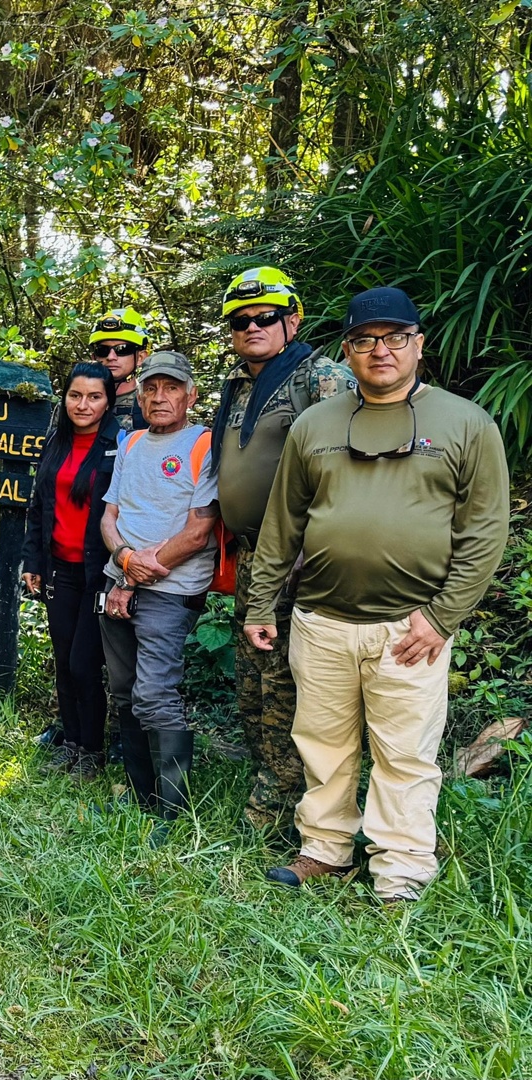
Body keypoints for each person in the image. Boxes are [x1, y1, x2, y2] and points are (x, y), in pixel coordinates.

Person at [245, 287, 510, 902]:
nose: (380, 350)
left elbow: (484, 531)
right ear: (348, 351)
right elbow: (284, 523)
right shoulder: (315, 424)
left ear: (419, 345)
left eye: (395, 338)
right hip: (321, 620)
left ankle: (401, 871)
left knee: (405, 755)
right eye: (366, 340)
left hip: (410, 630)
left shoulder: (467, 423)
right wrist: (261, 604)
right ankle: (326, 851)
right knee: (323, 743)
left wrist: (442, 619)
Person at [208, 267, 356, 832]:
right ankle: (265, 783)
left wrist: (309, 546)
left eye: (265, 316)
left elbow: (345, 473)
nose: (252, 327)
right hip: (252, 558)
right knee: (252, 681)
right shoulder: (239, 386)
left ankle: (278, 810)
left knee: (286, 686)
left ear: (292, 319)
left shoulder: (323, 379)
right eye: (240, 320)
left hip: (301, 561)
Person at [97, 351, 219, 827]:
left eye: (171, 388)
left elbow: (198, 532)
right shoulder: (129, 445)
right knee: (125, 689)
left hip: (172, 589)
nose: (159, 397)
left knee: (154, 693)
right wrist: (125, 563)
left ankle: (172, 811)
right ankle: (140, 792)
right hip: (121, 579)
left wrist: (136, 571)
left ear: (191, 394)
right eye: (151, 388)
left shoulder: (204, 444)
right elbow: (110, 516)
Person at [20, 362, 117, 779]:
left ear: (108, 401)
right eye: (75, 395)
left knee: (83, 664)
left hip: (99, 572)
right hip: (59, 568)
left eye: (94, 396)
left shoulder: (120, 445)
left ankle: (93, 751)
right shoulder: (55, 442)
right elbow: (39, 506)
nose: (83, 404)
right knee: (63, 662)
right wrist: (33, 561)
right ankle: (73, 744)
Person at [87, 309, 150, 434]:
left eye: (122, 349)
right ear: (94, 357)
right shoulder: (76, 404)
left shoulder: (152, 404)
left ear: (141, 357)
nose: (111, 357)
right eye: (103, 350)